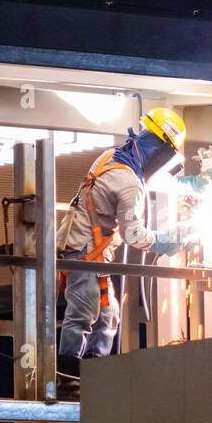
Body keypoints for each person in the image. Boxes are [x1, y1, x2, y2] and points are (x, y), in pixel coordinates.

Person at [56, 108, 186, 379]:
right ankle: (68, 376)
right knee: (85, 309)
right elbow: (134, 235)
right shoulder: (129, 183)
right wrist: (166, 241)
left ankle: (95, 373)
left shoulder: (111, 156)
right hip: (84, 248)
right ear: (161, 150)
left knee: (108, 315)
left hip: (87, 246)